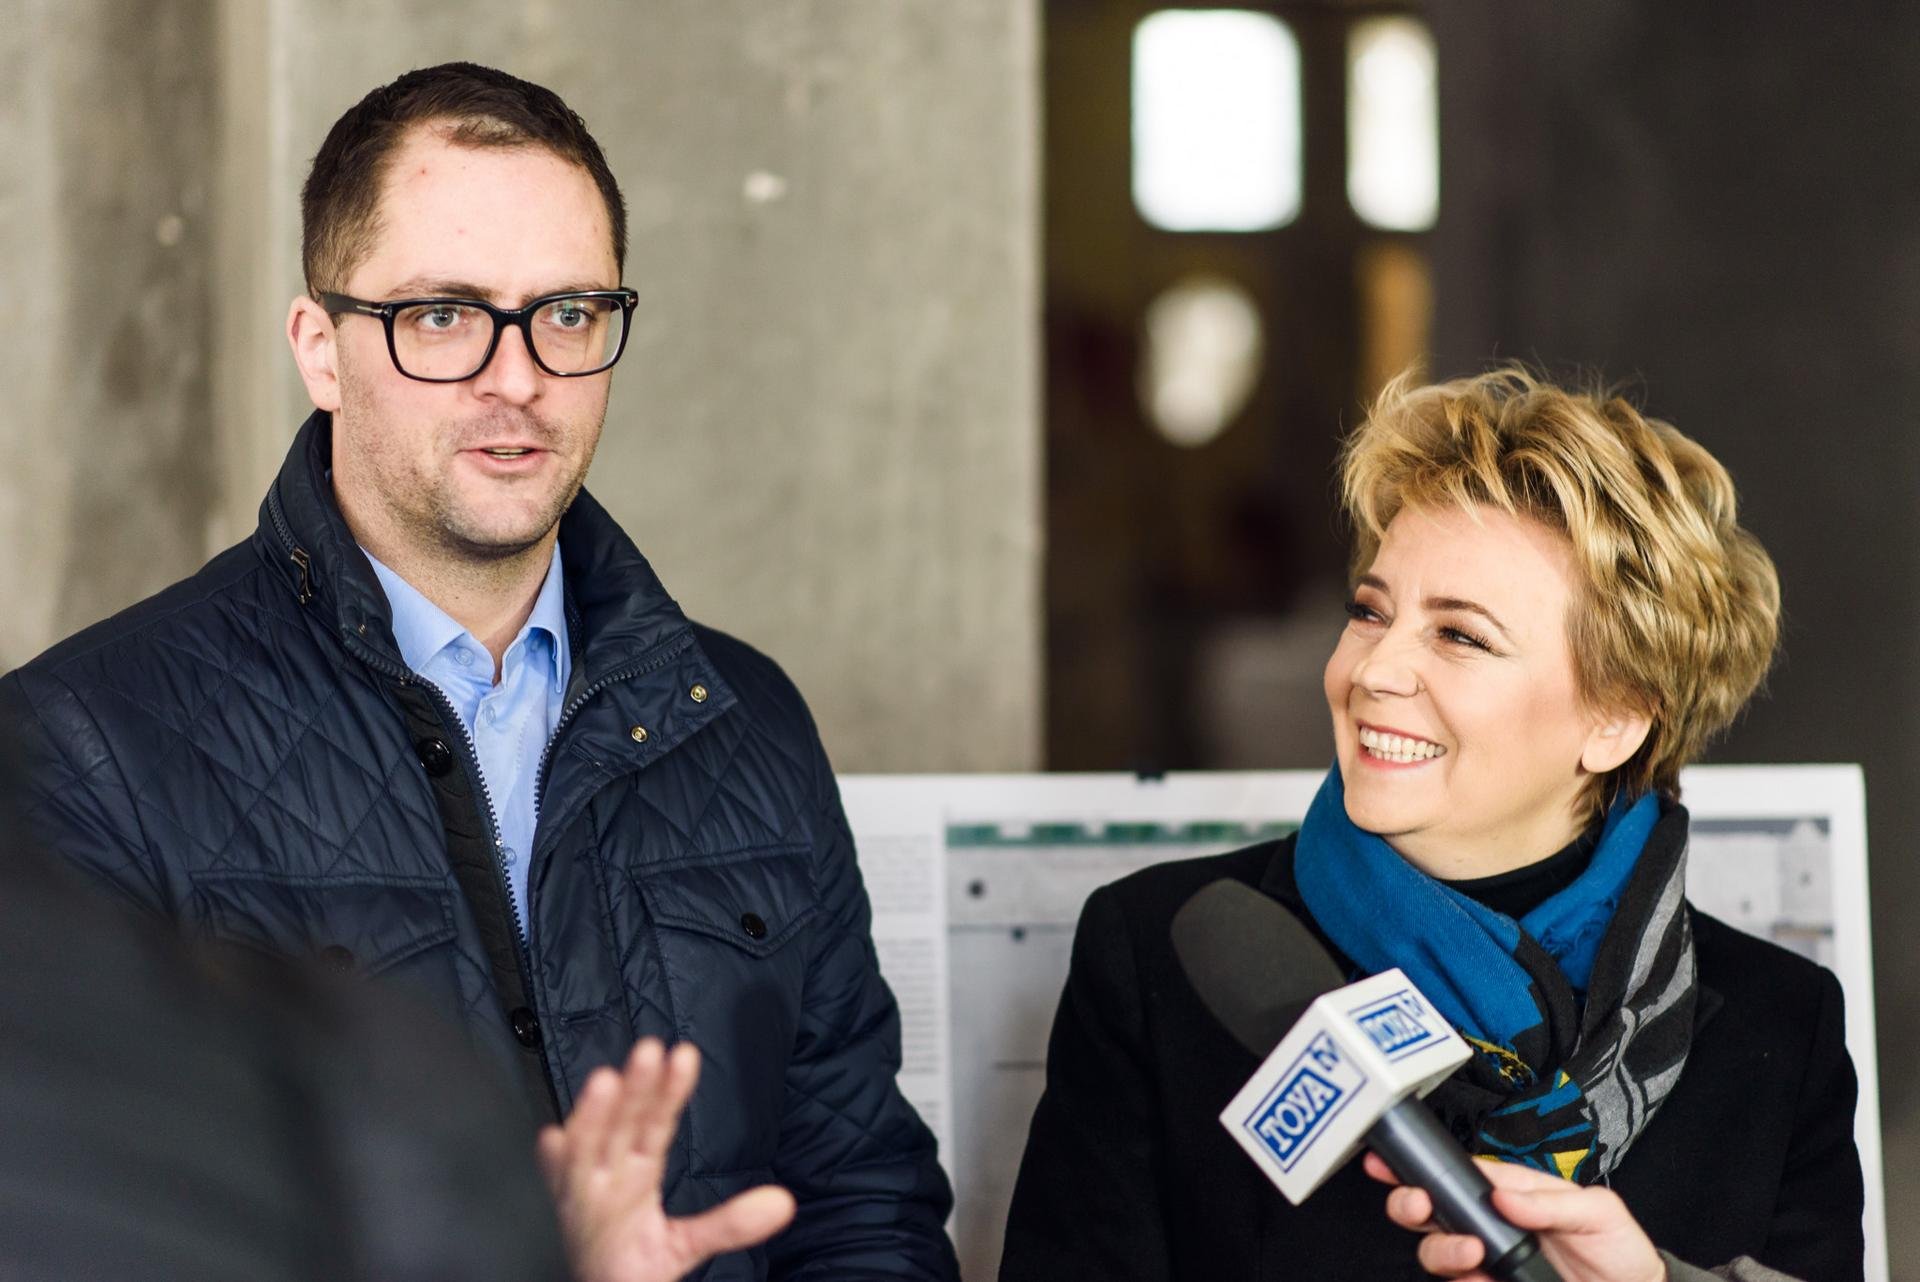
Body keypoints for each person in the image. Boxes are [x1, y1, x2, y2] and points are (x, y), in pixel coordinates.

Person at [0, 62, 956, 1282]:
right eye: (444, 314)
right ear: (322, 349)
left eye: (567, 313)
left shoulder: (745, 718)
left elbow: (862, 1198)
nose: (520, 377)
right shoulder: (92, 750)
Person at [998, 368, 1863, 1280]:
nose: (1374, 672)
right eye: (1371, 612)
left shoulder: (1781, 1026)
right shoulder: (1157, 953)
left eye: (1460, 635)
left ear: (1616, 717)